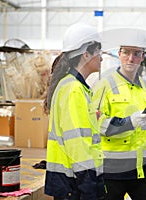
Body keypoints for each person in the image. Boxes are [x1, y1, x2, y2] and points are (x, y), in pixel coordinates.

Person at [92, 30, 146, 200]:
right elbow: (96, 123)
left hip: (142, 171)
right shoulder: (104, 85)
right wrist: (129, 122)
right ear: (119, 54)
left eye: (136, 53)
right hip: (111, 172)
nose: (131, 58)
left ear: (143, 56)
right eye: (126, 52)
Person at [44, 23, 105, 200]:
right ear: (86, 54)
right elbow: (77, 142)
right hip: (75, 181)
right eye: (98, 52)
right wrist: (89, 187)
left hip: (72, 179)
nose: (101, 58)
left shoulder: (74, 86)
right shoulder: (73, 90)